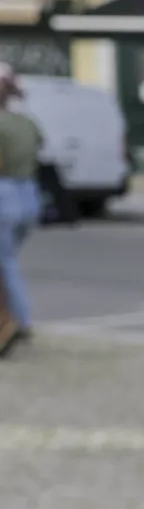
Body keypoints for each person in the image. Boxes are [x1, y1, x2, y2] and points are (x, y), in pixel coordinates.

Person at [0, 65, 42, 353]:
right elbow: (40, 146)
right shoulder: (26, 122)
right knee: (8, 259)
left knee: (5, 263)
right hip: (29, 192)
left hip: (5, 192)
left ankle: (18, 321)